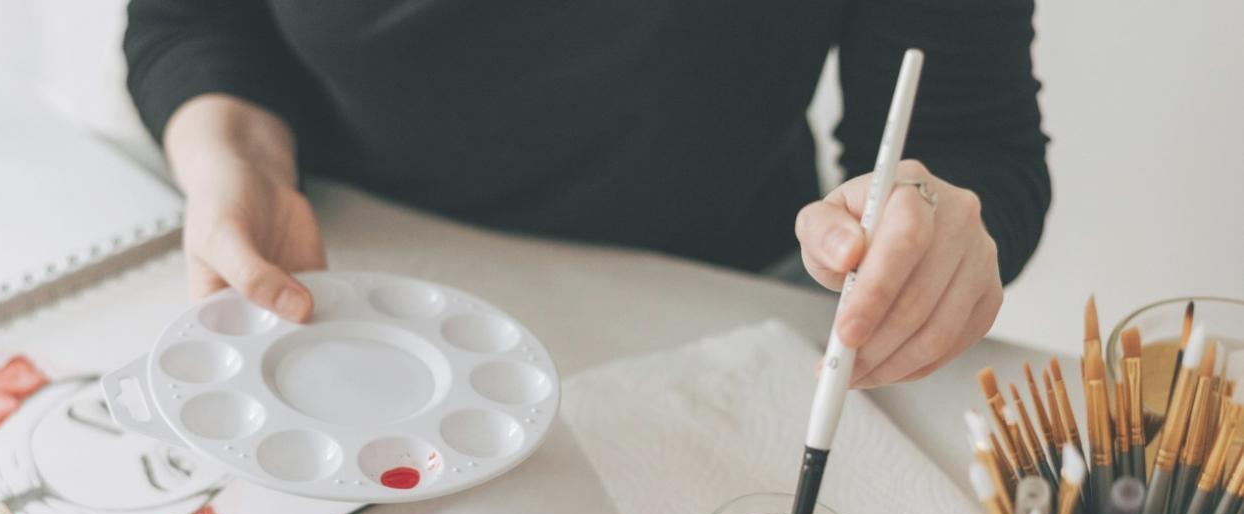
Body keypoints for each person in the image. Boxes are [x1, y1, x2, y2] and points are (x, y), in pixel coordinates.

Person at [123, 1, 1049, 389]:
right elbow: (195, 18)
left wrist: (929, 229)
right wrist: (233, 155)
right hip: (341, 283)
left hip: (710, 322)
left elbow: (969, 138)